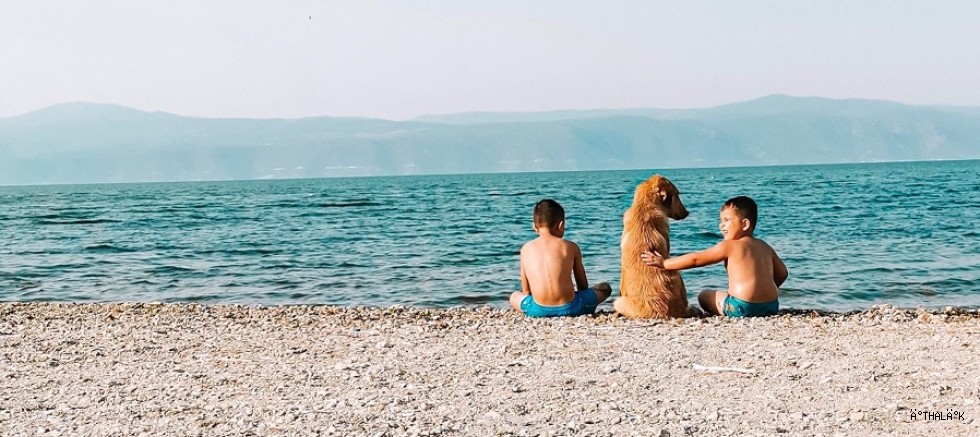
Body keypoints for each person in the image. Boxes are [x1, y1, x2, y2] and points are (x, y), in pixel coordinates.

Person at [641, 196, 788, 317]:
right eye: (721, 220)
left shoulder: (730, 245)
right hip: (771, 306)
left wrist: (664, 262)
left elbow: (695, 259)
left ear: (745, 224)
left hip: (742, 308)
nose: (721, 226)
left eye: (726, 220)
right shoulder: (765, 246)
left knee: (704, 296)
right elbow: (783, 273)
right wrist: (762, 291)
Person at [510, 199, 611, 317]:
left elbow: (526, 291)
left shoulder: (526, 249)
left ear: (534, 226)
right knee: (605, 288)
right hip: (573, 308)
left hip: (537, 310)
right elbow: (583, 286)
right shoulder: (571, 247)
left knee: (514, 296)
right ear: (561, 225)